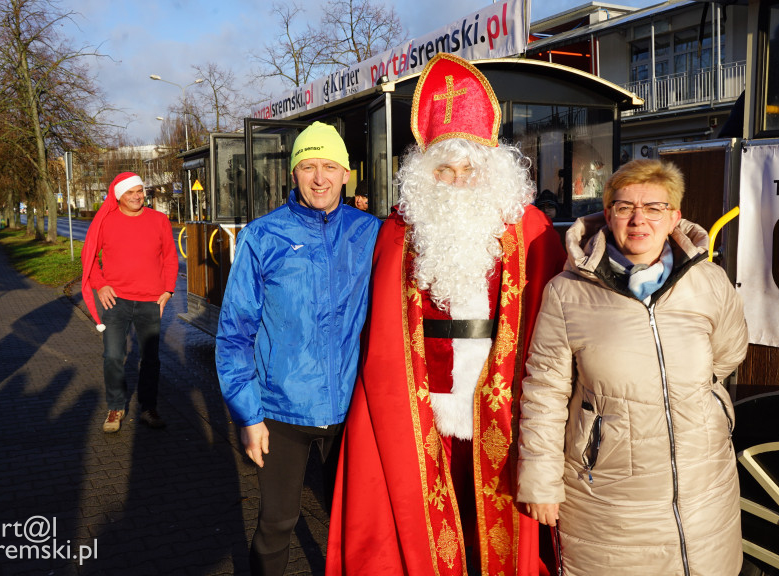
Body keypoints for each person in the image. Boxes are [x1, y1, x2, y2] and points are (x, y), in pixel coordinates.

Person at [326, 53, 566, 576]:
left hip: (501, 403)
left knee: (493, 520)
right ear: (425, 175)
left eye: (469, 170)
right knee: (428, 514)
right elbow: (385, 329)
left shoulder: (528, 228)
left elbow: (551, 321)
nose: (457, 181)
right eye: (445, 170)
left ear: (491, 171)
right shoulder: (399, 231)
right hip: (420, 404)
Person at [516, 159, 749, 575]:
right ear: (607, 216)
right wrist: (540, 481)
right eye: (624, 207)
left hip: (704, 484)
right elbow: (545, 392)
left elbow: (728, 354)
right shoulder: (568, 293)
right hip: (609, 494)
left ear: (675, 217)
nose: (639, 219)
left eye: (655, 208)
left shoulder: (710, 281)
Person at [216, 121, 380, 576]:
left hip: (352, 411)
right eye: (308, 166)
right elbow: (234, 334)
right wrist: (248, 415)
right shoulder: (262, 237)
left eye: (330, 166)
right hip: (281, 411)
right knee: (277, 520)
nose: (320, 177)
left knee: (354, 525)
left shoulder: (372, 234)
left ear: (348, 173)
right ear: (293, 174)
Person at [81, 172, 178, 433]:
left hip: (150, 301)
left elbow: (170, 256)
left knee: (150, 359)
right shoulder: (106, 222)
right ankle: (115, 407)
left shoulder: (159, 220)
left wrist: (168, 290)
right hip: (117, 301)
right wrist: (100, 284)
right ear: (118, 197)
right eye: (130, 192)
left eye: (140, 190)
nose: (137, 196)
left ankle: (148, 408)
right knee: (113, 355)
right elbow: (89, 257)